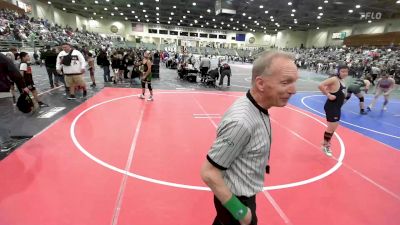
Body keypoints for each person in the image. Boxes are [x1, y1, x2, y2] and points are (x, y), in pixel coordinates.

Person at [200, 51, 299, 225]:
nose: (293, 90)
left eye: (293, 82)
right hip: (236, 202)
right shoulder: (242, 122)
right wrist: (241, 213)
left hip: (242, 195)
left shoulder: (256, 106)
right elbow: (209, 173)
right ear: (260, 83)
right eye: (285, 83)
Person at [0, 53, 30, 154]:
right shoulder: (2, 57)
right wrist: (22, 86)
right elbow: (14, 73)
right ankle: (6, 143)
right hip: (1, 92)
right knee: (4, 118)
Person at [318, 64, 349, 157]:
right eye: (342, 71)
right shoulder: (334, 79)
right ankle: (325, 146)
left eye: (346, 71)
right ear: (338, 71)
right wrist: (328, 95)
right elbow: (320, 85)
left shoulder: (342, 81)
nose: (344, 73)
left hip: (337, 107)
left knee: (333, 128)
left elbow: (338, 91)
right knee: (331, 128)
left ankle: (325, 143)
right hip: (331, 107)